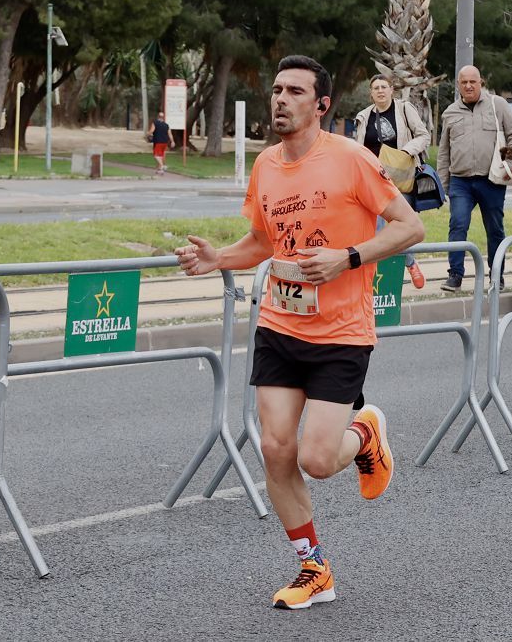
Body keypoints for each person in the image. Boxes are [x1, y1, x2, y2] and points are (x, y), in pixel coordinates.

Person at [174, 55, 424, 610]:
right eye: (277, 90)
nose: (280, 99)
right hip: (280, 323)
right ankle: (314, 569)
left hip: (341, 332)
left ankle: (366, 434)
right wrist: (218, 259)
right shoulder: (265, 165)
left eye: (294, 92)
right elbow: (263, 242)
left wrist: (348, 258)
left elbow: (411, 226)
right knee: (275, 449)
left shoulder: (352, 160)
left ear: (322, 104)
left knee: (315, 458)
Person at [437, 65, 512, 292]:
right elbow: (444, 151)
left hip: (491, 180)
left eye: (472, 82)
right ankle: (455, 275)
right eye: (463, 82)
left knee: (495, 229)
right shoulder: (449, 113)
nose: (468, 86)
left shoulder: (498, 105)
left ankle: (497, 276)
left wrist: (511, 162)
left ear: (481, 83)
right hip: (461, 181)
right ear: (458, 85)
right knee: (457, 224)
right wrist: (442, 184)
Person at [354, 74, 432, 288]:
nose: (380, 91)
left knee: (403, 225)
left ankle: (410, 263)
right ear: (371, 93)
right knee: (377, 227)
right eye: (376, 87)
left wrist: (407, 150)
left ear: (391, 90)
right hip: (372, 179)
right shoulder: (363, 116)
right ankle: (396, 268)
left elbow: (424, 136)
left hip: (400, 176)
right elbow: (358, 147)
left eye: (383, 87)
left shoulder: (404, 109)